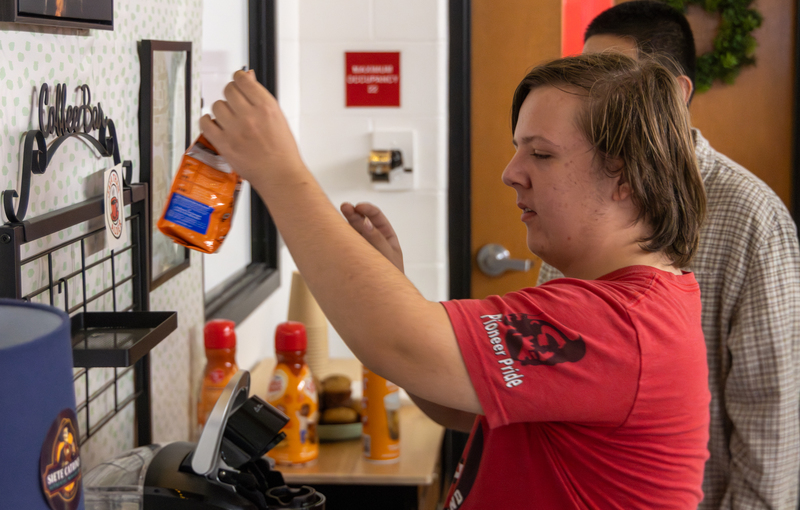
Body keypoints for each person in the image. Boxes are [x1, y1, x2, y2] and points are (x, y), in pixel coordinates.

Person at [202, 52, 709, 508]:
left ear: (623, 175)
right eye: (518, 150)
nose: (512, 172)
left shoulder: (617, 322)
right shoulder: (622, 303)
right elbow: (451, 398)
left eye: (542, 153)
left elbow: (399, 345)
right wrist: (391, 285)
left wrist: (277, 170)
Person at [537, 2, 800, 508]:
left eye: (610, 82)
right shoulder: (572, 195)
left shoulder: (752, 216)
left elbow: (771, 420)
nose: (589, 103)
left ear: (676, 94)